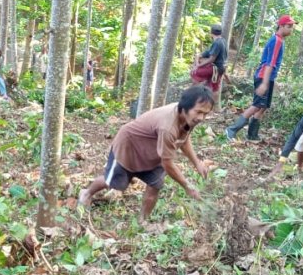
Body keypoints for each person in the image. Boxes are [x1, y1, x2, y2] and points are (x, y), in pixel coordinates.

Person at [78, 86, 214, 221]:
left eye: (205, 114)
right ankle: (87, 193)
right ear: (185, 107)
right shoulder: (168, 126)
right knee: (113, 182)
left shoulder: (187, 117)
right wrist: (187, 186)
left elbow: (183, 139)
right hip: (129, 148)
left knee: (155, 186)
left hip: (154, 152)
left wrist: (197, 163)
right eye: (199, 112)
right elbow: (167, 163)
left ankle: (143, 220)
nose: (201, 117)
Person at [225, 15, 296, 141]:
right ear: (281, 26)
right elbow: (270, 63)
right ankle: (231, 129)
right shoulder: (277, 41)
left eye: (292, 26)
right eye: (289, 26)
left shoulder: (278, 40)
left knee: (263, 106)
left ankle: (252, 134)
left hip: (268, 77)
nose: (291, 29)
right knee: (257, 105)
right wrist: (264, 83)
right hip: (264, 77)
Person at [191, 24, 229, 92]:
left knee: (194, 72)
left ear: (211, 33)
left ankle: (195, 92)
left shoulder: (217, 43)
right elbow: (210, 52)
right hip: (220, 68)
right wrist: (201, 55)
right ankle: (205, 87)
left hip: (216, 68)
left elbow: (212, 59)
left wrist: (198, 65)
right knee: (212, 87)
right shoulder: (222, 40)